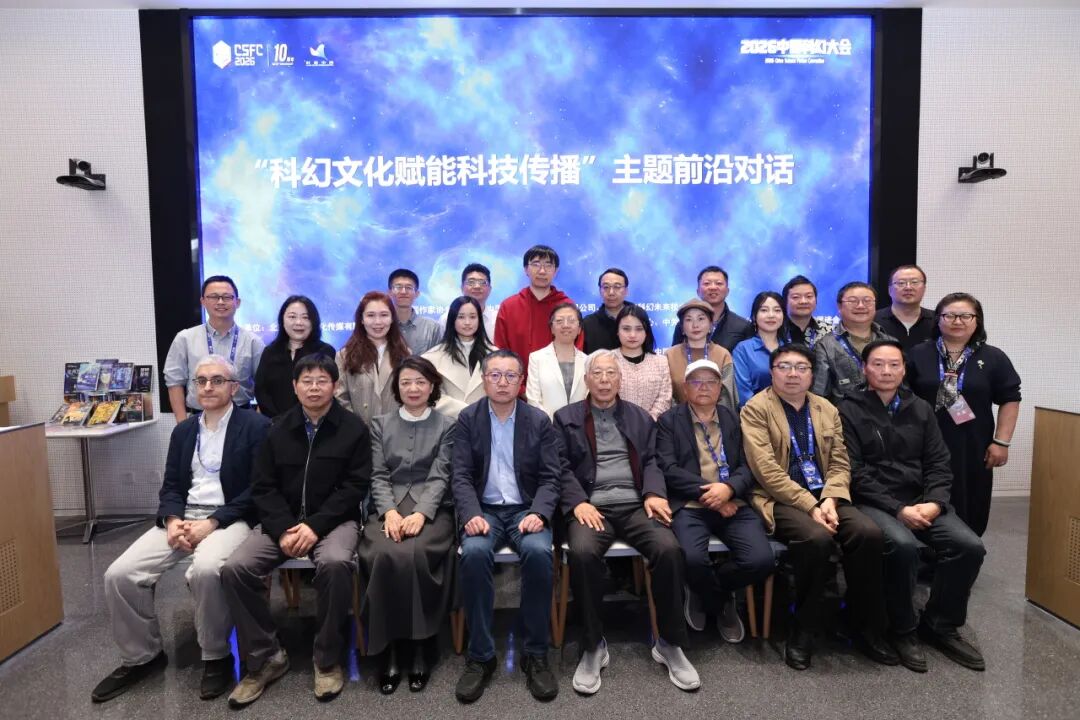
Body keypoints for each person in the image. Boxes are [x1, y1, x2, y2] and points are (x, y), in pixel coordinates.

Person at [91, 355, 270, 703]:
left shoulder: (256, 427)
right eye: (201, 381)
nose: (208, 387)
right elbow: (171, 485)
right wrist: (172, 521)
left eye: (217, 380)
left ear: (234, 387)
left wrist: (212, 522)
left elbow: (258, 490)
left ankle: (216, 656)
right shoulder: (184, 430)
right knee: (120, 574)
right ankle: (142, 656)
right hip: (183, 517)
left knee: (206, 569)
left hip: (230, 518)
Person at [222, 354, 371, 707]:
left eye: (322, 381)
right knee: (236, 568)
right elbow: (263, 486)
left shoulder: (353, 429)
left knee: (335, 564)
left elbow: (355, 487)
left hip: (334, 521)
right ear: (294, 386)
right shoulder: (276, 428)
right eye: (307, 381)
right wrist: (284, 528)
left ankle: (327, 659)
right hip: (282, 522)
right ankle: (266, 657)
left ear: (335, 385)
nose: (314, 387)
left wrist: (315, 526)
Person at [741, 345, 896, 671]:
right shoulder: (755, 409)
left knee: (867, 533)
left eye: (801, 368)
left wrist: (829, 499)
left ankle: (863, 624)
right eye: (784, 367)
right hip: (779, 498)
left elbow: (840, 461)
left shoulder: (826, 408)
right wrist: (812, 506)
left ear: (812, 374)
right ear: (772, 372)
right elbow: (766, 471)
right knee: (816, 539)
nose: (793, 374)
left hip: (826, 496)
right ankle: (804, 627)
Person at [554, 351, 699, 693]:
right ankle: (593, 646)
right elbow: (558, 466)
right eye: (597, 374)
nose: (604, 380)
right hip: (591, 507)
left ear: (620, 380)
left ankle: (670, 643)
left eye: (611, 374)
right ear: (586, 380)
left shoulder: (638, 416)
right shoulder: (565, 418)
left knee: (669, 549)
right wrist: (577, 502)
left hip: (635, 505)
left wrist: (653, 493)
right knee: (583, 554)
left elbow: (652, 461)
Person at [840, 340, 987, 673]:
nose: (886, 371)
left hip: (922, 500)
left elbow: (938, 462)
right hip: (873, 501)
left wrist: (935, 502)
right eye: (878, 364)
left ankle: (940, 624)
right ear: (864, 368)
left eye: (894, 364)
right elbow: (854, 472)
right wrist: (898, 509)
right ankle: (902, 629)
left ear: (904, 370)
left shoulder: (920, 408)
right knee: (903, 546)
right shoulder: (848, 409)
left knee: (968, 546)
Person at [451, 349, 562, 703]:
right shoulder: (468, 419)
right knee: (473, 553)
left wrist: (540, 513)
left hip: (525, 508)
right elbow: (460, 475)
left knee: (539, 552)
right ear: (484, 380)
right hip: (483, 509)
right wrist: (471, 513)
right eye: (495, 375)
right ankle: (481, 656)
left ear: (521, 381)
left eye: (510, 375)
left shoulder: (538, 420)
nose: (502, 382)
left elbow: (551, 477)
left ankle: (535, 653)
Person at [656, 359, 774, 644]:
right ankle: (717, 601)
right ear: (685, 388)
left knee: (761, 560)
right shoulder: (669, 421)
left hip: (735, 502)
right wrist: (713, 496)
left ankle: (710, 592)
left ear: (721, 387)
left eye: (711, 381)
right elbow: (668, 468)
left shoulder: (736, 418)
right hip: (691, 505)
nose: (704, 387)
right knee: (691, 559)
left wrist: (729, 489)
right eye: (696, 381)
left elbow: (750, 465)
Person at [359, 357, 456, 694]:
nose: (413, 388)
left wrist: (422, 513)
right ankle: (388, 647)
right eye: (405, 382)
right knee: (382, 554)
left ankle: (420, 645)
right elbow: (378, 474)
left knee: (417, 553)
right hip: (388, 506)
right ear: (397, 388)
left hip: (433, 509)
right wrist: (388, 512)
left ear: (432, 386)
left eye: (420, 382)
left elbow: (441, 475)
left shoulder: (447, 425)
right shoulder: (379, 424)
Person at [906, 293, 1021, 536]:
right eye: (949, 315)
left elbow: (1010, 398)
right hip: (923, 442)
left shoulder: (993, 357)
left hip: (973, 444)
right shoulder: (918, 353)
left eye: (965, 316)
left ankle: (966, 548)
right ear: (938, 319)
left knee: (971, 500)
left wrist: (1001, 442)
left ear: (977, 320)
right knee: (924, 497)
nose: (957, 321)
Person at [164, 275, 264, 421]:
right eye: (213, 297)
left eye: (227, 297)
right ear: (203, 301)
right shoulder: (185, 338)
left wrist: (258, 423)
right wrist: (182, 424)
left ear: (237, 302)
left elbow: (265, 386)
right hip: (198, 416)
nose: (220, 302)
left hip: (242, 417)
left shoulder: (253, 341)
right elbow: (174, 382)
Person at [494, 244, 582, 392]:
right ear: (526, 269)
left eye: (548, 265)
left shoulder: (567, 307)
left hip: (560, 389)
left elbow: (576, 349)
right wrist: (518, 388)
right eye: (536, 264)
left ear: (556, 271)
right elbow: (500, 351)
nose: (542, 271)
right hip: (515, 390)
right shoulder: (509, 306)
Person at [812, 281, 895, 405]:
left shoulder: (890, 342)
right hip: (842, 414)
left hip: (886, 413)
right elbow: (818, 395)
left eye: (867, 301)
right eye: (853, 301)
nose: (861, 306)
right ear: (839, 306)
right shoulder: (825, 346)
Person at [335, 291, 409, 426]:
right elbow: (340, 398)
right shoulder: (344, 355)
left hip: (396, 430)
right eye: (370, 315)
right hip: (357, 431)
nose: (378, 322)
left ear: (392, 318)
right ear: (361, 319)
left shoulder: (405, 354)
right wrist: (356, 428)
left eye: (384, 315)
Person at [254, 295, 336, 418]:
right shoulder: (270, 352)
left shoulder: (325, 352)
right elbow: (261, 391)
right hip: (273, 424)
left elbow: (329, 392)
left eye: (305, 317)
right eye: (292, 317)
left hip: (314, 422)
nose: (299, 322)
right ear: (282, 320)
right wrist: (278, 422)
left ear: (314, 322)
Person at [423, 295, 497, 419]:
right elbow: (432, 394)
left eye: (472, 317)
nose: (467, 322)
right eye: (461, 317)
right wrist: (467, 412)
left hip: (487, 420)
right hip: (448, 423)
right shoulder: (432, 357)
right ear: (452, 319)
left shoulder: (496, 355)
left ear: (480, 320)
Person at [665, 299, 737, 410]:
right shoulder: (669, 356)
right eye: (689, 320)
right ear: (682, 328)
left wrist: (711, 416)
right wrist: (683, 416)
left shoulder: (723, 355)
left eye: (701, 319)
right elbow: (667, 395)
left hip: (717, 418)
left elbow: (726, 397)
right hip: (678, 417)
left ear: (711, 325)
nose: (695, 325)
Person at [526, 302, 588, 418]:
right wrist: (548, 425)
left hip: (580, 425)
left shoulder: (587, 361)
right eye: (559, 321)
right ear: (552, 328)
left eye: (571, 321)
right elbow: (534, 400)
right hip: (546, 425)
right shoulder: (536, 358)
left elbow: (589, 399)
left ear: (579, 329)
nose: (565, 325)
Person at [670, 266, 753, 352]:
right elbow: (675, 355)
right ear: (698, 291)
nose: (713, 287)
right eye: (707, 283)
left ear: (727, 291)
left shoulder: (743, 326)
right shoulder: (685, 325)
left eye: (719, 283)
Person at [613, 304, 672, 420]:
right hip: (614, 427)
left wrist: (647, 422)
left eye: (639, 329)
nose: (632, 335)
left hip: (653, 426)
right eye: (626, 329)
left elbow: (664, 399)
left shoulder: (661, 362)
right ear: (617, 331)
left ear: (646, 332)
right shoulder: (607, 360)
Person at [732, 291, 788, 408]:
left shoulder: (790, 349)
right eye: (764, 310)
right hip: (755, 414)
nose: (771, 315)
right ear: (754, 316)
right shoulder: (743, 350)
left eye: (777, 310)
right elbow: (744, 393)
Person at [874, 265, 935, 351]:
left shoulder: (938, 320)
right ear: (890, 290)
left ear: (924, 289)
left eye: (914, 282)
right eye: (901, 283)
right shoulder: (873, 320)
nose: (908, 287)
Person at [388, 268, 442, 355]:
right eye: (398, 287)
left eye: (409, 287)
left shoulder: (433, 328)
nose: (403, 292)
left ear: (417, 294)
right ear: (389, 292)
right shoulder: (381, 326)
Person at [582, 268, 630, 353]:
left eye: (617, 287)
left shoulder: (638, 319)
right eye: (606, 287)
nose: (611, 292)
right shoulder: (588, 323)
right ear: (600, 291)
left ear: (626, 291)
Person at [439, 262, 499, 331]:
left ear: (490, 289)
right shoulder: (446, 319)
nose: (477, 286)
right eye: (471, 282)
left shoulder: (497, 319)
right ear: (462, 288)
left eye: (482, 282)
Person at [781, 275, 832, 348]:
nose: (803, 301)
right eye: (796, 297)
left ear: (816, 300)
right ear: (785, 301)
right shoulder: (776, 329)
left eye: (809, 296)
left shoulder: (829, 329)